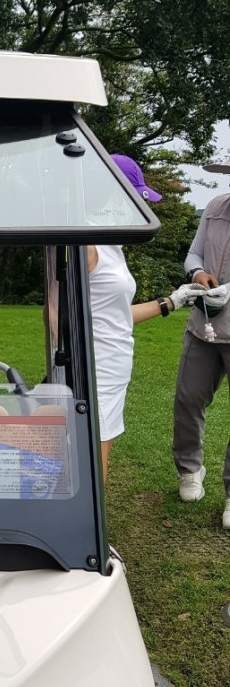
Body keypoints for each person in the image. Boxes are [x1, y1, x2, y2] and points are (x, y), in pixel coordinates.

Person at [89, 155, 206, 482]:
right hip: (95, 367)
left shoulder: (112, 246)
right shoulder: (87, 244)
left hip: (113, 367)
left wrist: (172, 301)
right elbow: (57, 312)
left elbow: (113, 314)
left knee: (102, 445)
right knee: (95, 457)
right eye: (135, 199)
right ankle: (91, 518)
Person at [173, 185, 230, 526]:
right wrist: (197, 273)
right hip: (204, 323)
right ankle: (190, 469)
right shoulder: (215, 207)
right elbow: (194, 253)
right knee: (189, 398)